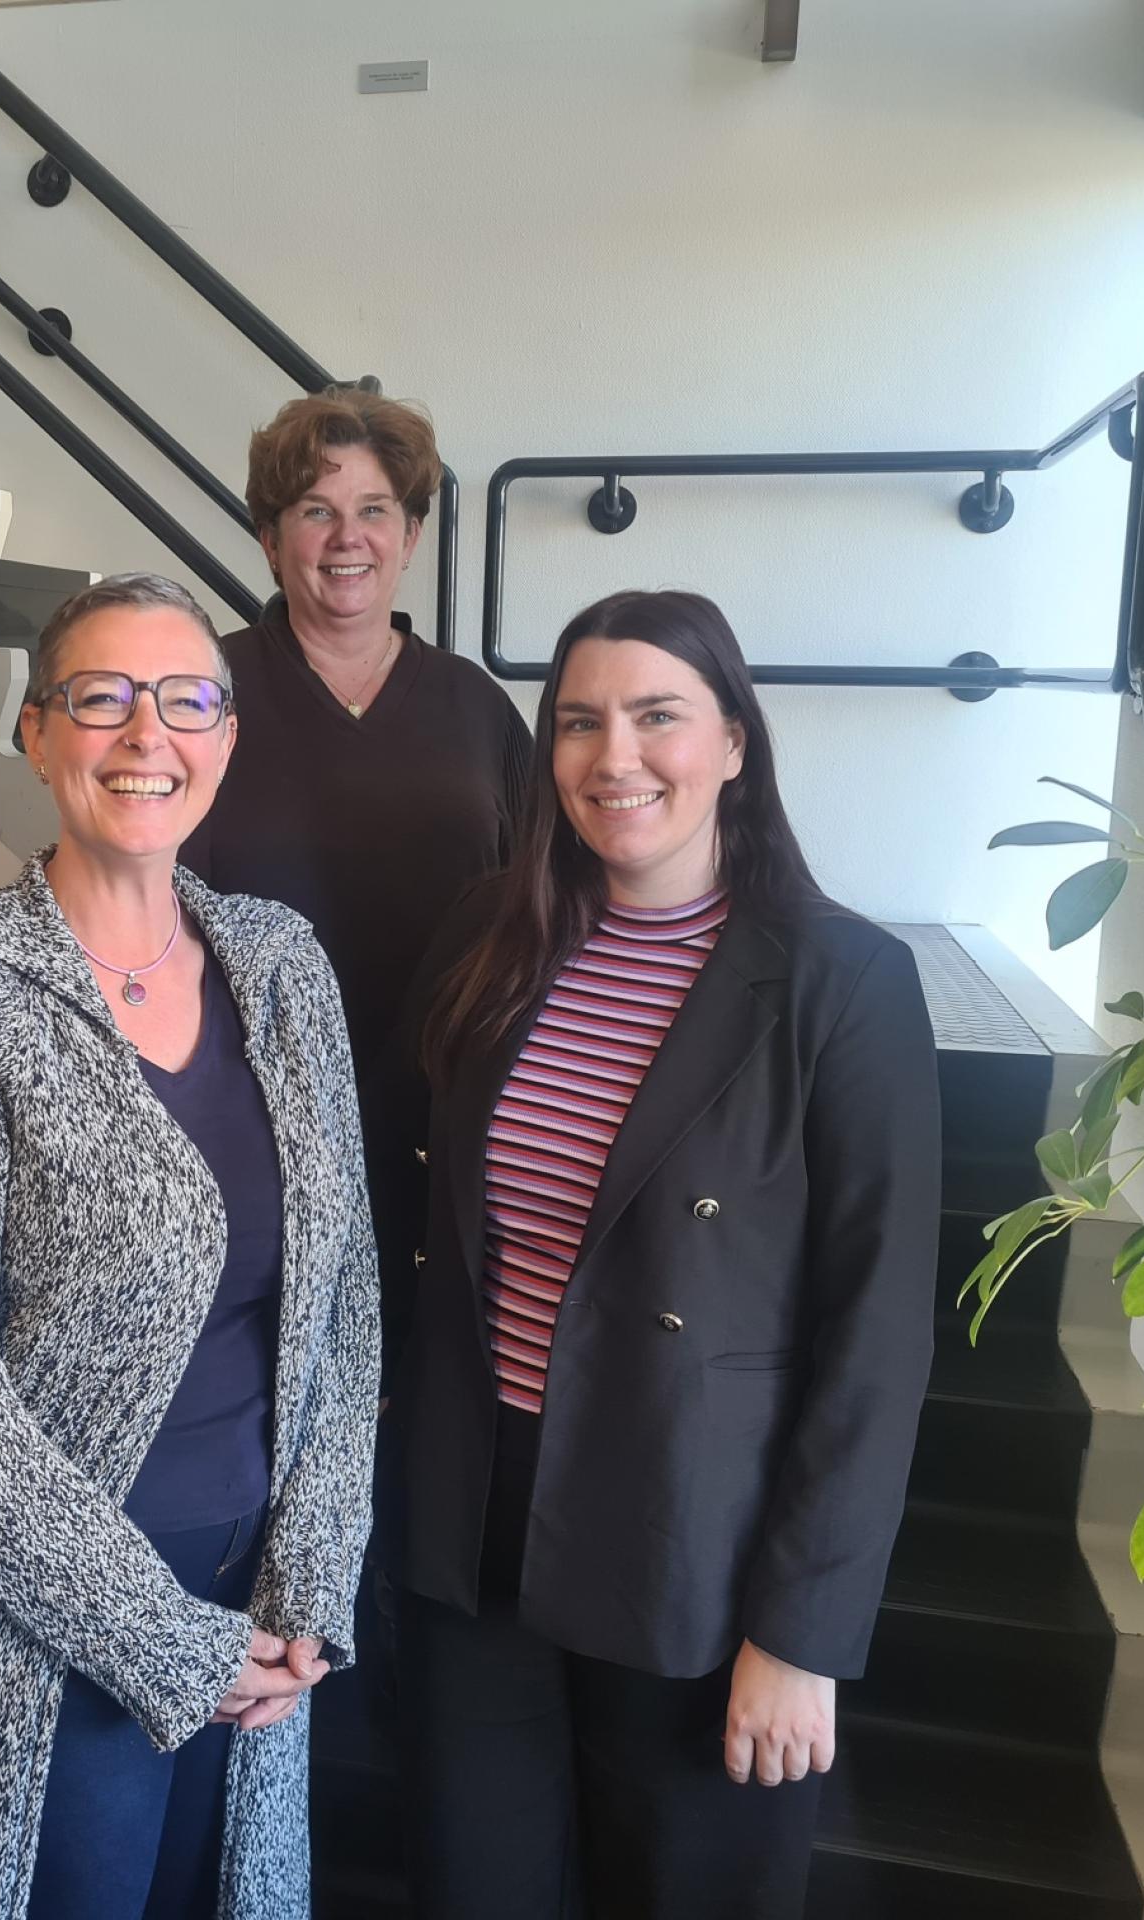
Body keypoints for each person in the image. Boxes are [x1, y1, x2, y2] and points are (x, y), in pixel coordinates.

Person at [393, 590, 941, 1919]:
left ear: (735, 742)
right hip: (476, 1533)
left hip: (692, 1543)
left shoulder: (837, 980)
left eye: (657, 716)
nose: (613, 756)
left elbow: (874, 1333)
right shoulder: (490, 940)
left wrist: (800, 1634)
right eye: (579, 722)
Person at [0, 572, 380, 1920]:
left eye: (187, 699)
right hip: (28, 1632)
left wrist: (310, 1580)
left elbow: (346, 1298)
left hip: (249, 1606)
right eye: (104, 699)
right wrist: (158, 1643)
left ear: (228, 737)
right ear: (38, 735)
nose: (150, 735)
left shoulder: (282, 966)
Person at [180, 387, 530, 1371]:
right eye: (314, 511)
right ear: (267, 535)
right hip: (251, 1134)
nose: (347, 539)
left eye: (375, 510)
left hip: (445, 1132)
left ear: (411, 534)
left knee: (429, 1413)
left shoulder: (474, 708)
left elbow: (542, 911)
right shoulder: (205, 695)